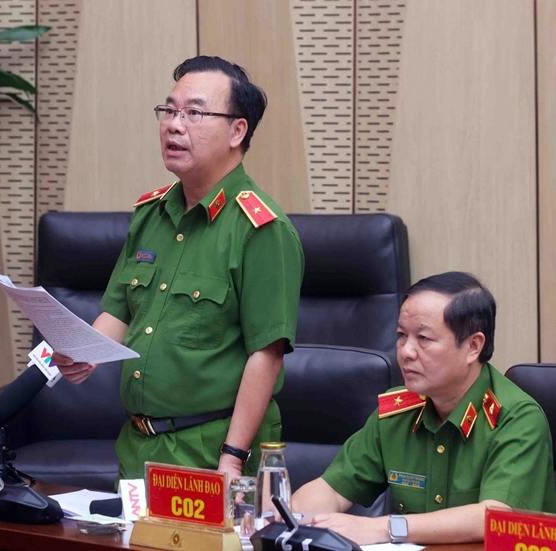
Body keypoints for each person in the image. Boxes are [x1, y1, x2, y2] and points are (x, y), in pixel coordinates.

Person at [52, 56, 304, 483]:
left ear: (237, 131)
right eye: (168, 110)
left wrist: (232, 458)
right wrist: (85, 353)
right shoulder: (150, 214)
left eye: (194, 113)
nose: (173, 125)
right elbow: (120, 309)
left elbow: (267, 356)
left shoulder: (261, 230)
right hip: (138, 444)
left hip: (210, 449)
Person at [292, 271, 556, 545]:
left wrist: (385, 527)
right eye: (401, 335)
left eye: (423, 338)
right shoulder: (397, 413)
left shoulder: (515, 418)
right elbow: (332, 491)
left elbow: (494, 518)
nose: (406, 351)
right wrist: (289, 516)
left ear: (473, 346)